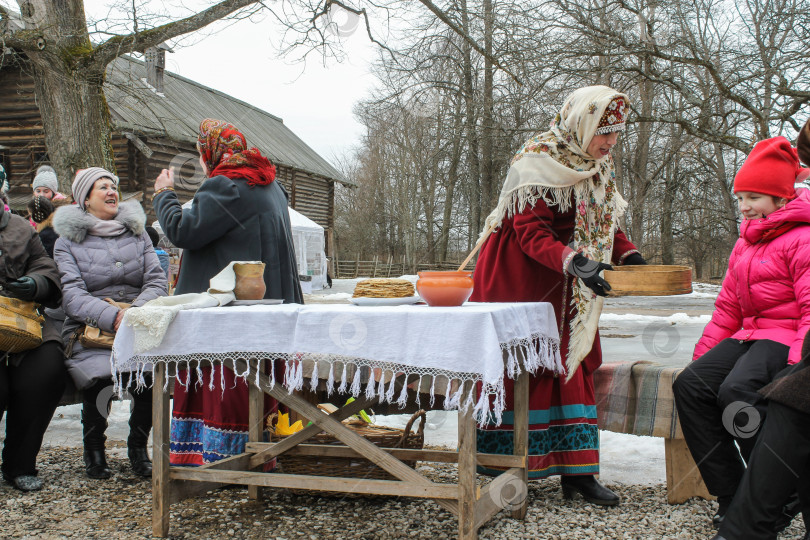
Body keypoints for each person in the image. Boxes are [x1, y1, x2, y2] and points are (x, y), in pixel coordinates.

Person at [470, 85, 645, 506]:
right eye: (605, 132)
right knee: (525, 366)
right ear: (580, 123)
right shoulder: (536, 160)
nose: (610, 143)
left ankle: (578, 472)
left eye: (616, 134)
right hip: (521, 279)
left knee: (573, 365)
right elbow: (530, 234)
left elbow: (603, 223)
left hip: (570, 280)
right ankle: (505, 469)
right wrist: (574, 262)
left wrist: (630, 254)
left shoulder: (597, 165)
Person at [673, 137, 810, 528]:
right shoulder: (745, 242)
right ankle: (733, 493)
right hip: (750, 334)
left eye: (754, 197)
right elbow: (729, 308)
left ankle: (782, 492)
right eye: (740, 198)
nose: (745, 206)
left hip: (786, 337)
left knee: (738, 391)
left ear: (781, 199)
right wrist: (703, 357)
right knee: (691, 385)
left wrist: (798, 367)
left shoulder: (803, 237)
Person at [153, 118, 303, 466]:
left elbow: (182, 231)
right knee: (262, 384)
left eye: (200, 153)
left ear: (212, 151)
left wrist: (164, 195)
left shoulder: (226, 185)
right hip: (270, 311)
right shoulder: (270, 186)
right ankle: (264, 454)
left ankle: (222, 459)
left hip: (232, 317)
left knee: (229, 387)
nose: (203, 162)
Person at [53, 167, 168, 479]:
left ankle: (137, 446)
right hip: (90, 329)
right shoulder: (67, 242)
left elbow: (158, 282)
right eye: (101, 187)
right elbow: (72, 296)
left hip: (139, 323)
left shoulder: (138, 233)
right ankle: (94, 448)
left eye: (113, 186)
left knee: (149, 376)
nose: (110, 192)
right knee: (101, 376)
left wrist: (133, 314)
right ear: (85, 200)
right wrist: (112, 317)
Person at [0, 202, 66, 492]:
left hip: (20, 320)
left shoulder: (19, 227)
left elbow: (44, 266)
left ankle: (20, 463)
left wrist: (35, 283)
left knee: (47, 367)